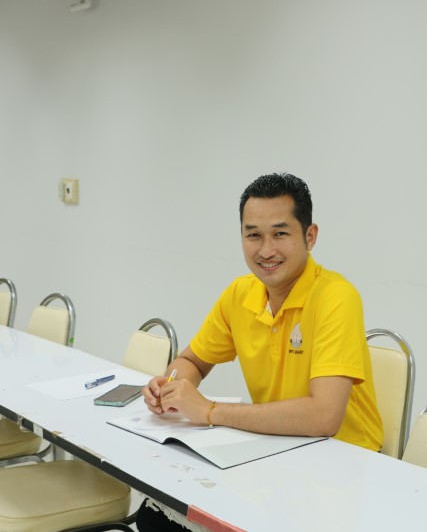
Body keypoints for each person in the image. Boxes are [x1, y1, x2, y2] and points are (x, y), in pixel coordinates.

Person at [136, 173, 382, 531]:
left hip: (342, 468)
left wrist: (210, 411)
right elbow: (192, 361)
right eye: (253, 235)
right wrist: (169, 388)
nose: (266, 250)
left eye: (280, 234)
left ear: (310, 236)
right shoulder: (240, 293)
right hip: (273, 452)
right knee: (154, 516)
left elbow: (324, 417)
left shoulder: (336, 297)